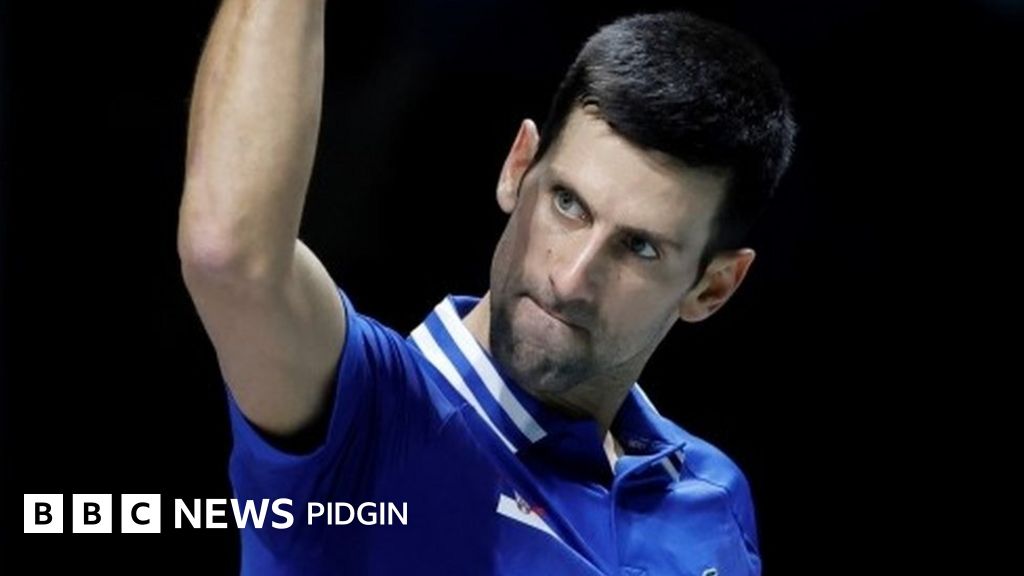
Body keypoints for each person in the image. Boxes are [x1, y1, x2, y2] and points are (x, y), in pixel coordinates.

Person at [177, 1, 796, 574]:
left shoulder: (713, 498)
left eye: (639, 247)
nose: (570, 278)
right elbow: (229, 255)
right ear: (517, 167)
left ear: (713, 289)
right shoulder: (371, 417)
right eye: (567, 203)